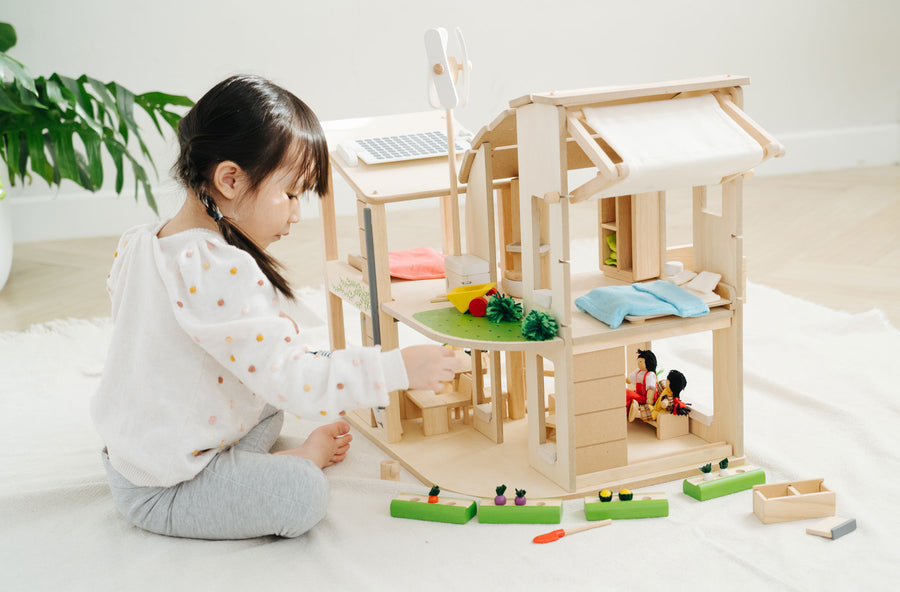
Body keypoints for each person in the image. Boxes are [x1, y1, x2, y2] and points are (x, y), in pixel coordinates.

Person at [90, 75, 458, 540]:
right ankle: (293, 461)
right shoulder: (221, 269)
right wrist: (396, 369)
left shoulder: (142, 240)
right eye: (291, 194)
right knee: (303, 493)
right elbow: (295, 382)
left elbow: (151, 326)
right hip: (166, 485)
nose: (297, 212)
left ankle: (239, 464)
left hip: (135, 449)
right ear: (230, 179)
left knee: (265, 407)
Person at [625, 348, 657, 414]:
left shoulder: (650, 375)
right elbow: (629, 379)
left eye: (641, 362)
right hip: (639, 395)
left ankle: (629, 411)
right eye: (638, 361)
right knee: (626, 393)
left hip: (646, 398)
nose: (638, 363)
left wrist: (649, 402)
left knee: (627, 393)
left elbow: (651, 390)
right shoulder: (638, 371)